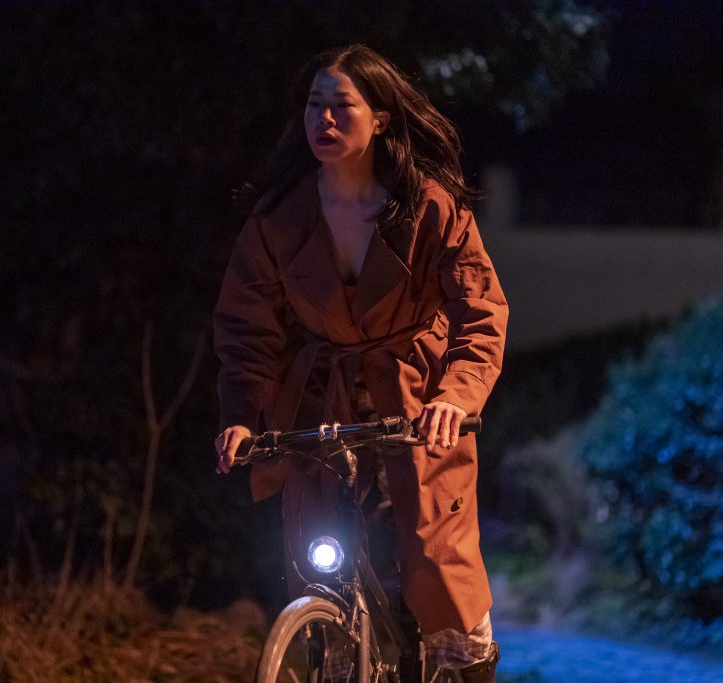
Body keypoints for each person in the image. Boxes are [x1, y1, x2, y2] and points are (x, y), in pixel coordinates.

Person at [213, 45, 507, 679]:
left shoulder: (429, 207)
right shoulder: (279, 220)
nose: (323, 119)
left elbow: (480, 311)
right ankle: (336, 650)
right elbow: (247, 327)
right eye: (314, 105)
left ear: (381, 119)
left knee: (436, 556)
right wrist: (240, 415)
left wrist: (456, 397)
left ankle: (467, 656)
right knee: (319, 553)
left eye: (341, 106)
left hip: (418, 396)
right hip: (325, 396)